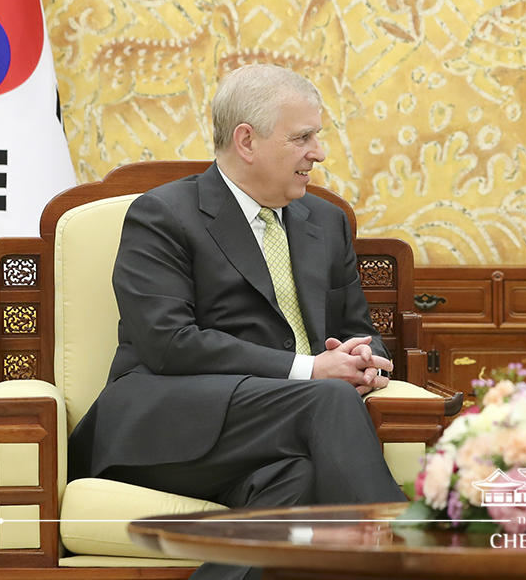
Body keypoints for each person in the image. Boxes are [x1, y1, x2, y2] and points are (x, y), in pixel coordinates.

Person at [68, 64, 404, 580]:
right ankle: (413, 556)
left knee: (295, 481)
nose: (318, 152)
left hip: (281, 432)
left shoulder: (328, 223)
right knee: (326, 398)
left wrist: (360, 356)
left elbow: (363, 328)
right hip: (168, 424)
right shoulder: (163, 215)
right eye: (303, 137)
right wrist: (311, 370)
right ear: (247, 140)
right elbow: (168, 343)